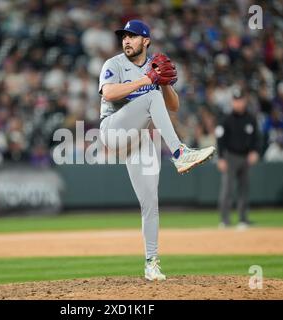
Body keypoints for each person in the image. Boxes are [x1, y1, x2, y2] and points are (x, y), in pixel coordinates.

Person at [98, 20, 215, 281]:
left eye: (132, 36)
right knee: (148, 97)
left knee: (150, 202)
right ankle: (179, 154)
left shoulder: (153, 67)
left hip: (141, 139)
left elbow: (173, 106)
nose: (126, 40)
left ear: (146, 41)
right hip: (114, 131)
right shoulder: (113, 64)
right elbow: (108, 93)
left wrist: (163, 82)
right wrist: (146, 81)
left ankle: (151, 264)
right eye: (124, 36)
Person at [216, 87, 259, 230]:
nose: (238, 103)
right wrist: (221, 158)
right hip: (231, 157)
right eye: (236, 100)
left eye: (240, 100)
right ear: (232, 102)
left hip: (246, 157)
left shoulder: (251, 119)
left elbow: (256, 138)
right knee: (227, 189)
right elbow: (220, 140)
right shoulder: (226, 119)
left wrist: (254, 151)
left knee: (244, 189)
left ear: (245, 101)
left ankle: (243, 219)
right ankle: (224, 220)